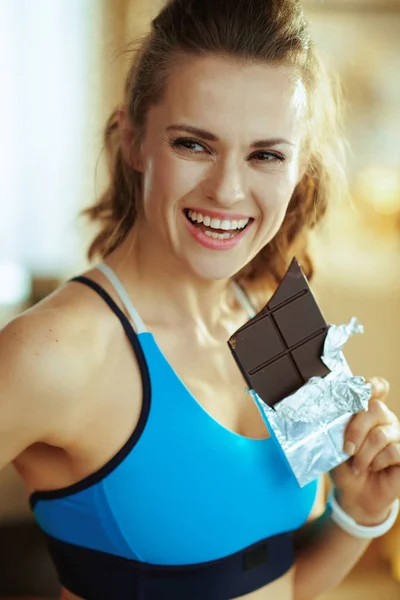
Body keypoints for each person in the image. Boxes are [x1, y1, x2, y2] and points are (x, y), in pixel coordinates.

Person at [1, 0, 399, 598]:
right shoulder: (55, 351)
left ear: (299, 168)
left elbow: (277, 584)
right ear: (133, 141)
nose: (228, 190)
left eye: (265, 154)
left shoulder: (277, 314)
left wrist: (362, 512)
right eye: (194, 145)